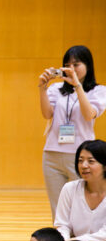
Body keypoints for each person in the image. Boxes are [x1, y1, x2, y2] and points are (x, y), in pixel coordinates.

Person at [39, 45, 106, 217]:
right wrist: (43, 89)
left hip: (80, 156)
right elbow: (47, 114)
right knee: (57, 207)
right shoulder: (56, 89)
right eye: (67, 65)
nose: (71, 69)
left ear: (88, 66)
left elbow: (89, 114)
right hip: (52, 154)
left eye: (76, 64)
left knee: (80, 206)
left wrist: (77, 85)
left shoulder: (99, 91)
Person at [56, 140, 106, 241]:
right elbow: (62, 225)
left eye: (91, 161)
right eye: (80, 160)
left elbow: (104, 235)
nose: (84, 165)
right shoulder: (69, 189)